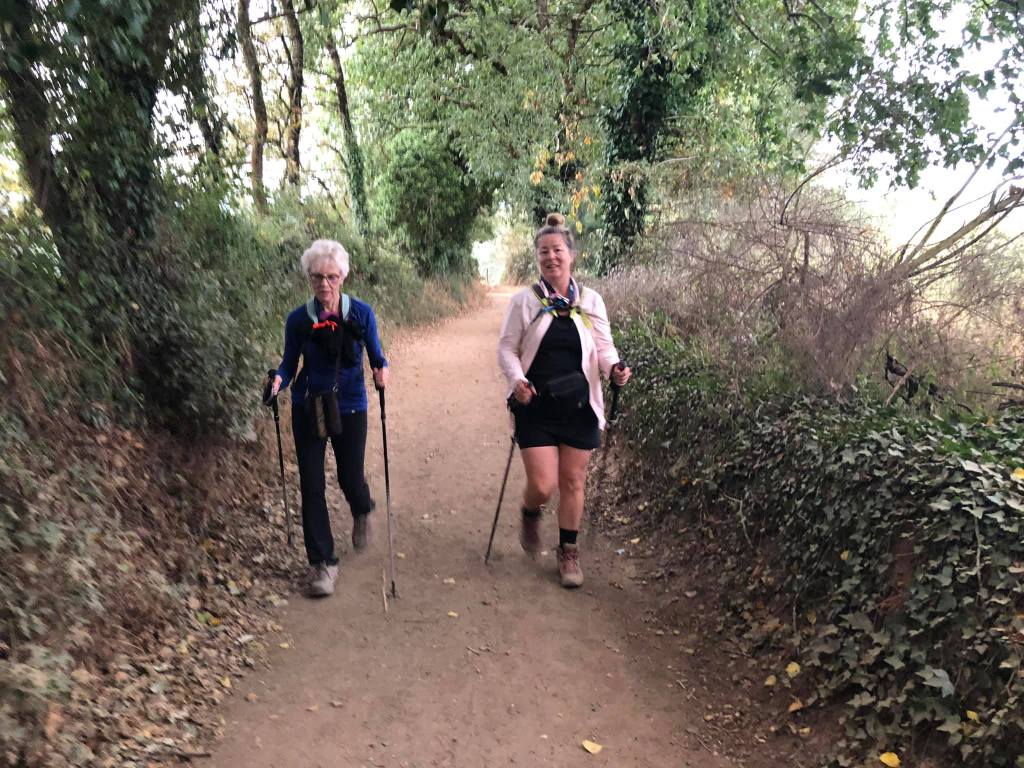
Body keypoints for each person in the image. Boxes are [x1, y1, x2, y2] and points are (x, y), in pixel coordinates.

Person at [497, 213, 631, 588]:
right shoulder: (524, 301)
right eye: (544, 251)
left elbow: (604, 348)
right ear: (537, 258)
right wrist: (517, 380)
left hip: (579, 406)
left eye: (557, 250)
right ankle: (530, 511)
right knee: (543, 485)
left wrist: (614, 369)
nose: (551, 257)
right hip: (535, 404)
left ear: (572, 255)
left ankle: (568, 551)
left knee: (572, 481)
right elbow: (506, 349)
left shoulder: (590, 301)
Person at [268, 239, 389, 597]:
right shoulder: (298, 320)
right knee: (312, 483)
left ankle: (361, 508)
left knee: (350, 476)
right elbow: (289, 363)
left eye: (331, 277)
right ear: (308, 277)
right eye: (317, 276)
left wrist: (382, 371)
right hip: (309, 404)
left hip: (350, 404)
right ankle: (322, 563)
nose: (324, 284)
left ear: (343, 276)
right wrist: (278, 380)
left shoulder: (361, 313)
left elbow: (377, 357)